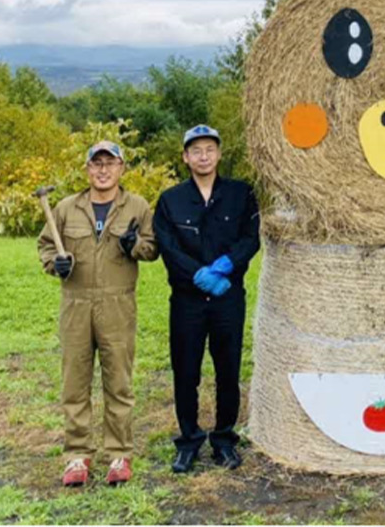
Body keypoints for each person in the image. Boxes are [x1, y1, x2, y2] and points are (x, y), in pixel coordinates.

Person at [38, 140, 158, 487]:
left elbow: (152, 249)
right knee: (75, 381)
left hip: (118, 303)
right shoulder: (65, 208)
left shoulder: (137, 206)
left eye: (110, 163)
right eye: (96, 164)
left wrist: (132, 245)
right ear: (87, 169)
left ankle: (119, 453)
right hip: (75, 302)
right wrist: (55, 264)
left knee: (118, 380)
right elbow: (46, 245)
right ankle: (77, 454)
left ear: (121, 168)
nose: (103, 170)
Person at [153, 124, 261, 473]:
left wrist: (227, 266)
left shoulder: (240, 194)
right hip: (187, 301)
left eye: (209, 149)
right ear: (185, 157)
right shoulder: (171, 200)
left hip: (228, 297)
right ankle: (188, 442)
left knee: (228, 370)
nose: (203, 155)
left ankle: (225, 440)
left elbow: (251, 237)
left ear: (219, 154)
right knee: (186, 371)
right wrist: (197, 275)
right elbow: (166, 246)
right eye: (196, 150)